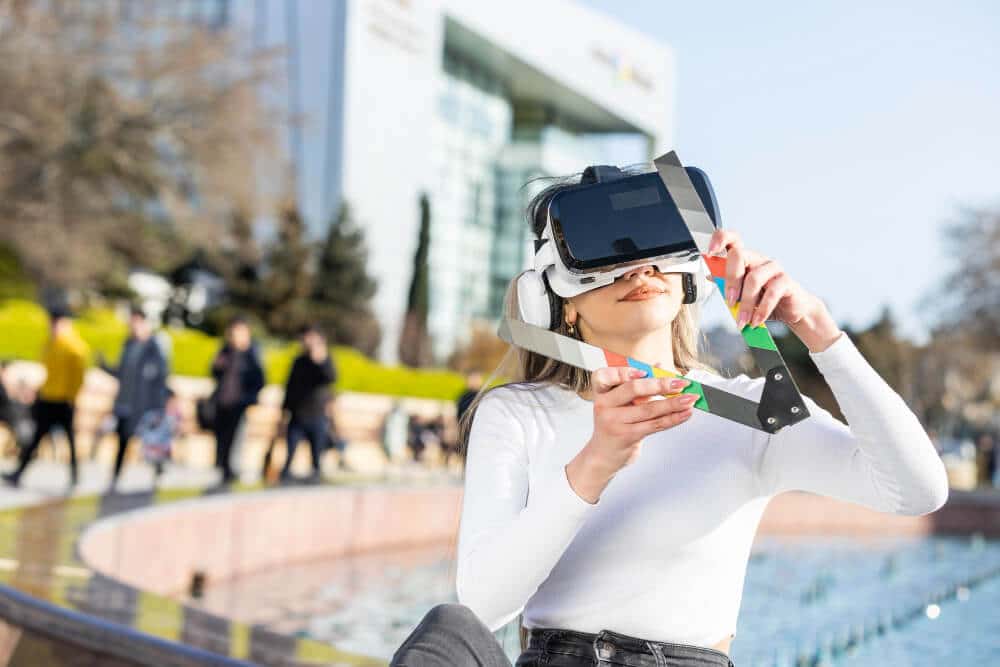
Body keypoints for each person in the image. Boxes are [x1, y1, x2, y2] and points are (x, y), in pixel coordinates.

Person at [390, 172, 950, 667]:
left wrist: (819, 332)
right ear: (557, 300)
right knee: (444, 637)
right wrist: (593, 464)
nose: (640, 265)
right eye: (605, 251)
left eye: (657, 242)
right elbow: (482, 605)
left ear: (692, 274)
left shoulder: (753, 409)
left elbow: (917, 490)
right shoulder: (517, 412)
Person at [3, 306, 90, 487]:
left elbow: (78, 377)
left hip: (64, 400)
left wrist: (72, 397)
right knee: (36, 438)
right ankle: (19, 473)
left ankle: (75, 475)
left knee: (69, 440)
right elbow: (46, 373)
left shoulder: (75, 348)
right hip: (48, 398)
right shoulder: (50, 344)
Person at [97, 306, 170, 490]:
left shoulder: (154, 348)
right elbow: (122, 372)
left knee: (149, 442)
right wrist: (105, 366)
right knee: (122, 440)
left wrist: (159, 407)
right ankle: (115, 477)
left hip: (145, 406)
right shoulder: (128, 345)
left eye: (138, 322)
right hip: (125, 403)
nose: (134, 327)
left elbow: (160, 378)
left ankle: (158, 469)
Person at [209, 315, 264, 484]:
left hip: (239, 404)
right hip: (223, 402)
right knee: (222, 439)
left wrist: (249, 398)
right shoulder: (225, 350)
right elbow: (214, 371)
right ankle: (224, 470)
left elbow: (259, 379)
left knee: (236, 439)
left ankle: (233, 470)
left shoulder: (252, 353)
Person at [279, 324, 336, 482]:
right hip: (298, 414)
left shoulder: (325, 360)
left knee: (316, 455)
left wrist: (320, 360)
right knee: (289, 452)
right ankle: (285, 477)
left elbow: (331, 378)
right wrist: (284, 410)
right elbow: (290, 387)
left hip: (317, 415)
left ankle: (315, 477)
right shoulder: (299, 361)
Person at [135, 388, 182, 486]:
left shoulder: (171, 414)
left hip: (163, 441)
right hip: (154, 440)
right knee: (154, 450)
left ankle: (159, 466)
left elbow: (174, 428)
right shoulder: (153, 413)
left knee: (161, 451)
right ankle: (157, 465)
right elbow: (144, 426)